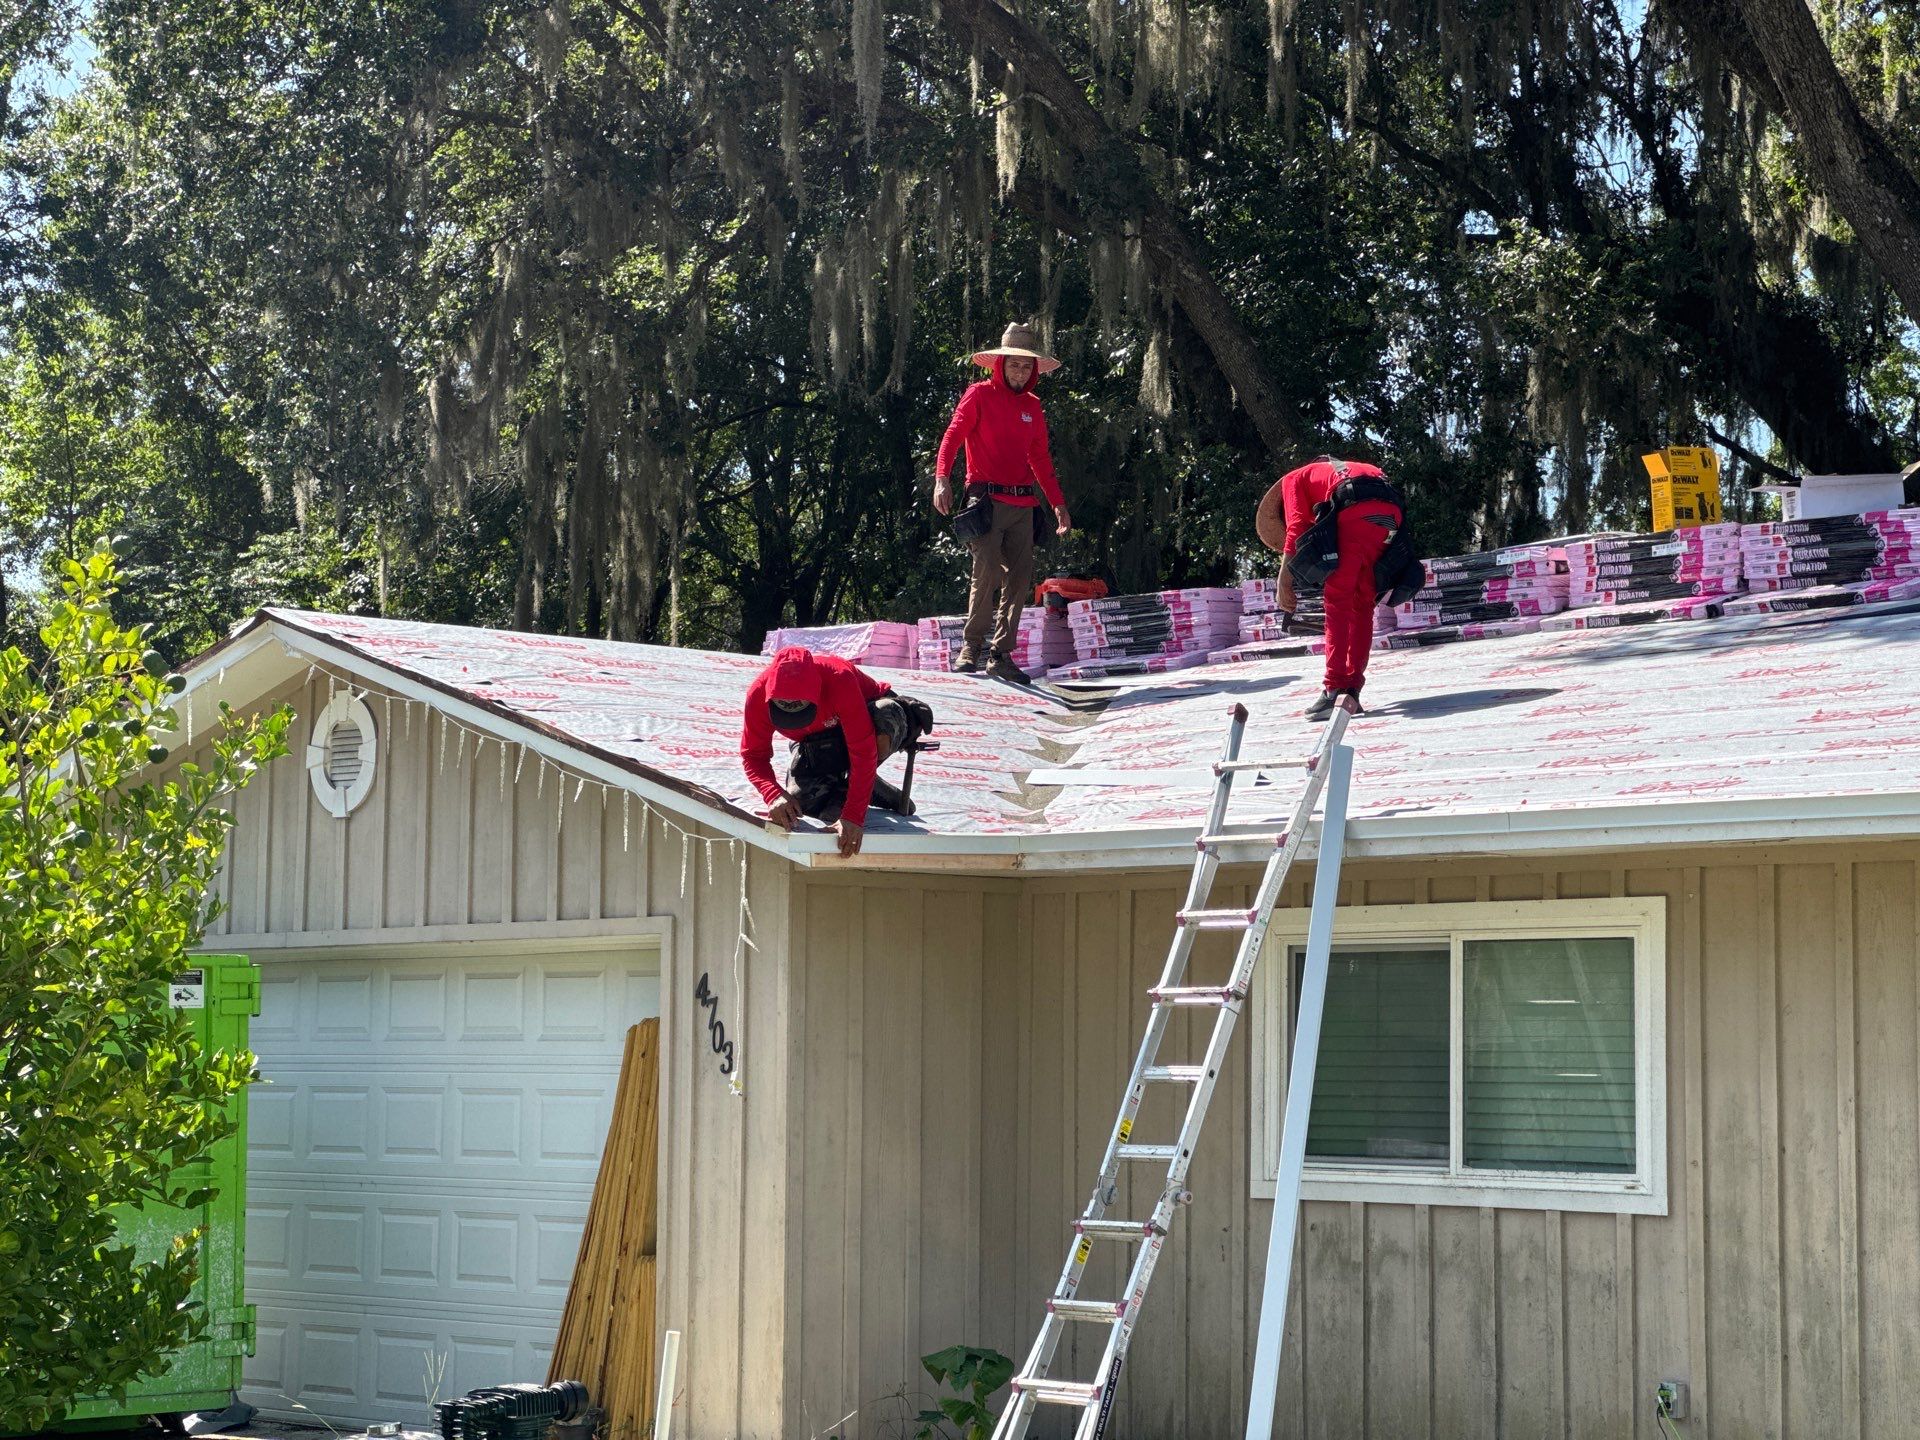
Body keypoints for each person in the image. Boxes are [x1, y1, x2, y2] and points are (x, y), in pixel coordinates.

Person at [933, 321, 1072, 682]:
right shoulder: (979, 394)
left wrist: (1058, 504)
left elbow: (1040, 459)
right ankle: (971, 647)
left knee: (1020, 580)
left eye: (1027, 366)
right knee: (987, 572)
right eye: (1014, 364)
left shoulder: (1033, 406)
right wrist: (942, 478)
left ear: (1033, 371)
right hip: (985, 500)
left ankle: (1001, 655)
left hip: (1023, 504)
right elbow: (952, 436)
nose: (1020, 371)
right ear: (1001, 364)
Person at [740, 646, 933, 858]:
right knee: (799, 805)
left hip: (870, 723)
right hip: (820, 740)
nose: (791, 710)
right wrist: (773, 794)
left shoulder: (839, 678)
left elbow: (863, 752)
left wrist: (853, 816)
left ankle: (857, 784)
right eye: (785, 707)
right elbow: (753, 756)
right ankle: (861, 787)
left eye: (799, 706)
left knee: (886, 714)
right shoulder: (757, 694)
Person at [1256, 456, 1403, 721]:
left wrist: (1283, 582)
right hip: (1391, 515)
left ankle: (1333, 690)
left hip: (1354, 512)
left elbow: (1297, 527)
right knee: (1362, 605)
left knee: (1338, 602)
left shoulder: (1293, 479)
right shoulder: (1338, 471)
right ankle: (1352, 691)